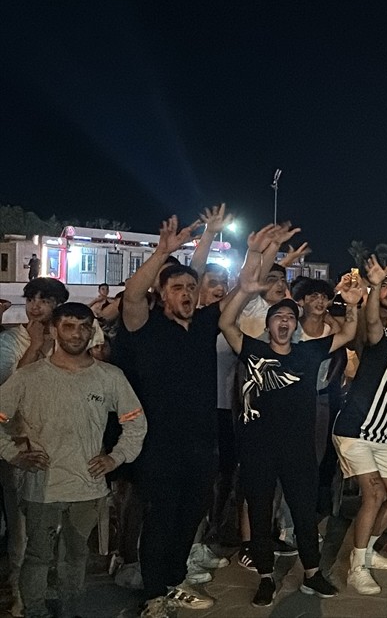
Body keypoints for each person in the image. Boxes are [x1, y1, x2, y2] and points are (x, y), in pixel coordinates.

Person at [219, 226, 359, 606]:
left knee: (302, 510)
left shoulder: (308, 353)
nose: (284, 322)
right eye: (278, 317)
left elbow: (347, 334)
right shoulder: (251, 349)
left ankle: (312, 573)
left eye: (289, 319)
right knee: (261, 512)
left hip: (297, 448)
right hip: (257, 446)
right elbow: (225, 324)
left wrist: (352, 302)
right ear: (268, 324)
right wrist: (247, 289)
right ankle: (266, 575)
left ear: (295, 326)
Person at [116, 213, 236, 616]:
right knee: (162, 518)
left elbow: (197, 273)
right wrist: (162, 251)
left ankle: (173, 579)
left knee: (190, 516)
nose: (186, 292)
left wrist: (211, 237)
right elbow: (132, 295)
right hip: (159, 445)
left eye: (190, 288)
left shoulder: (204, 324)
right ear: (161, 293)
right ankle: (154, 595)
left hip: (202, 443)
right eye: (177, 287)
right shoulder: (144, 327)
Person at [0, 302, 147, 618]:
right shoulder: (29, 378)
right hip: (42, 487)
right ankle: (35, 611)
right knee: (37, 556)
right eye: (68, 325)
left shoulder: (109, 377)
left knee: (76, 556)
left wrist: (116, 457)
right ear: (53, 330)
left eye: (84, 326)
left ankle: (70, 610)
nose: (77, 333)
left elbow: (135, 421)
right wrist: (14, 454)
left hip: (88, 487)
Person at [331, 257, 387, 595]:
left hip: (383, 437)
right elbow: (371, 320)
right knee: (375, 494)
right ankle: (357, 567)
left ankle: (366, 549)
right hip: (355, 430)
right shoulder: (380, 341)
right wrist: (373, 286)